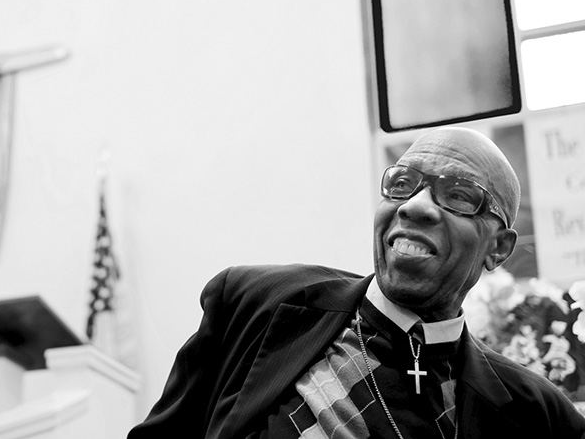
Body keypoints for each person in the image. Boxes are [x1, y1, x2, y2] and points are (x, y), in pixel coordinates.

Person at [128, 127, 585, 438]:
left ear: (499, 249)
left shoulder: (535, 415)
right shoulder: (252, 303)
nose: (416, 206)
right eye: (402, 183)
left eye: (459, 196)